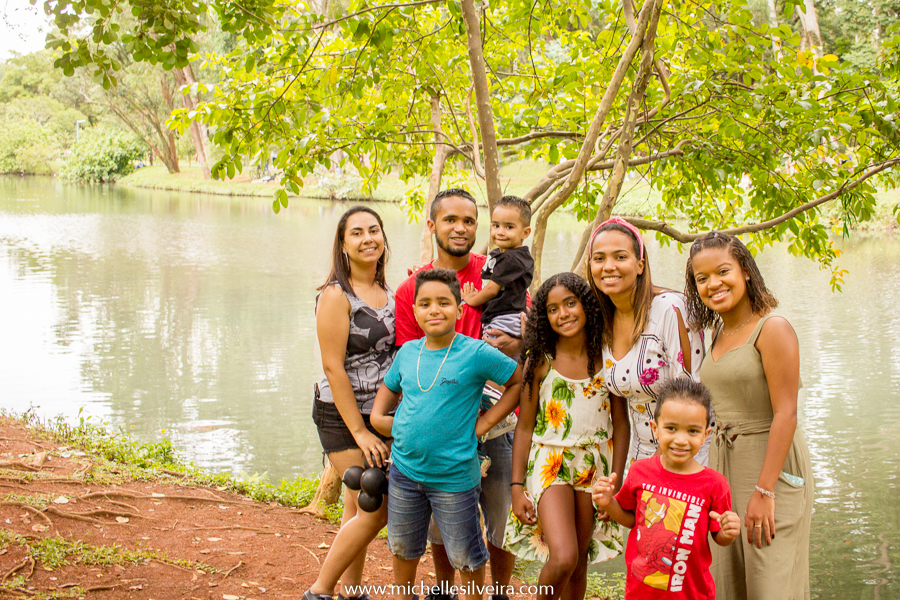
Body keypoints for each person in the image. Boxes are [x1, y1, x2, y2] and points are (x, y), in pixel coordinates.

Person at [394, 189, 520, 600]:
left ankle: (497, 593)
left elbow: (528, 323)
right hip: (443, 420)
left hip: (496, 417)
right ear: (432, 225)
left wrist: (516, 347)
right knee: (439, 516)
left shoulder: (499, 270)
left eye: (469, 221)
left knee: (500, 514)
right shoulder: (412, 288)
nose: (460, 228)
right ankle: (446, 591)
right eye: (450, 220)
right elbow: (411, 364)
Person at [371, 268, 523, 600]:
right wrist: (407, 428)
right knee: (403, 548)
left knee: (467, 559)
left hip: (455, 478)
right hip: (405, 475)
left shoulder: (475, 353)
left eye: (443, 302)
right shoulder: (408, 354)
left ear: (459, 308)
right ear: (415, 311)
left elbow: (517, 383)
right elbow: (378, 415)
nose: (434, 310)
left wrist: (483, 426)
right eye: (425, 303)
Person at [684, 231, 813, 600]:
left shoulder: (772, 328)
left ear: (746, 272)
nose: (714, 284)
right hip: (726, 466)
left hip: (770, 468)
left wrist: (765, 490)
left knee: (771, 583)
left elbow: (786, 413)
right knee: (732, 582)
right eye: (702, 278)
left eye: (723, 271)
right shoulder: (719, 333)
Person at [505, 273, 627, 600]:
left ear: (586, 305)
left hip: (594, 465)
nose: (564, 314)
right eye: (553, 309)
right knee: (564, 557)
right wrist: (517, 487)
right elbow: (525, 427)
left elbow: (621, 423)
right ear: (544, 317)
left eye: (570, 304)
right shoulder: (540, 360)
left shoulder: (607, 358)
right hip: (551, 462)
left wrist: (614, 481)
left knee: (580, 563)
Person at [306, 206, 396, 600]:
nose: (367, 239)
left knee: (357, 503)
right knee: (376, 503)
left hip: (379, 413)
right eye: (356, 233)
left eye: (373, 230)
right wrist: (359, 432)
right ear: (343, 245)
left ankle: (350, 591)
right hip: (342, 416)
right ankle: (319, 590)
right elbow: (332, 366)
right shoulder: (334, 295)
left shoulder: (391, 294)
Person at [592, 378, 741, 600]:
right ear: (656, 429)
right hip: (641, 592)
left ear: (705, 435)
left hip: (691, 593)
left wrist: (728, 532)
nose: (681, 440)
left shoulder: (714, 484)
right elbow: (631, 520)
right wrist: (608, 503)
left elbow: (718, 536)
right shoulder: (639, 471)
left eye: (692, 431)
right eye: (671, 428)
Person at [587, 217, 708, 465]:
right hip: (640, 455)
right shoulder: (602, 320)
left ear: (640, 264)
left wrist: (660, 464)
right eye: (599, 258)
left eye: (620, 257)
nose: (608, 266)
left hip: (686, 454)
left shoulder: (671, 309)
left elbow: (692, 393)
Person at [461, 195, 534, 341]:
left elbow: (492, 289)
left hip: (505, 320)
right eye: (496, 225)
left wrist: (472, 299)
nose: (500, 232)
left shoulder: (513, 259)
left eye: (509, 227)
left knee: (492, 355)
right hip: (499, 316)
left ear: (525, 233)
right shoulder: (500, 254)